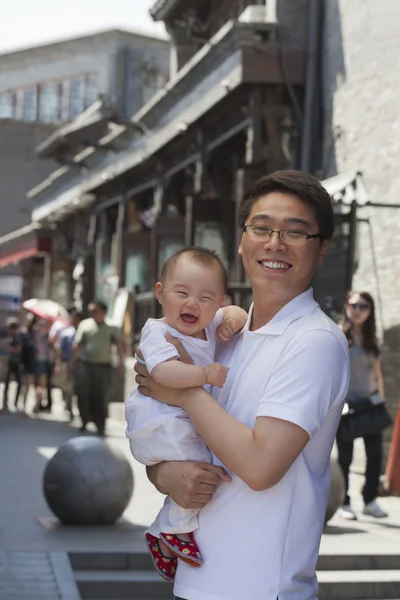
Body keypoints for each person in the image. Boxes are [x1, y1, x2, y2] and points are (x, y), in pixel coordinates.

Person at [134, 170, 350, 600]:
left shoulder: (314, 342)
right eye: (262, 227)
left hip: (260, 587)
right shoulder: (224, 334)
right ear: (241, 239)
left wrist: (184, 389)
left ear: (322, 249)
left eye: (296, 232)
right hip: (198, 580)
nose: (275, 243)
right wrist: (162, 473)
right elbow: (180, 431)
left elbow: (258, 466)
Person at [125, 247, 247, 580]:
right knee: (195, 466)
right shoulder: (158, 333)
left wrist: (233, 319)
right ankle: (173, 531)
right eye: (182, 293)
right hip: (158, 420)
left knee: (197, 462)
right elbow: (162, 374)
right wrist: (204, 376)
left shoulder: (208, 326)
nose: (193, 304)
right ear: (161, 293)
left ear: (219, 301)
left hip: (176, 418)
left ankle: (165, 534)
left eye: (206, 298)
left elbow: (237, 313)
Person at [336, 291, 388, 520]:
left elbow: (377, 374)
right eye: (354, 305)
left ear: (370, 311)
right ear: (346, 307)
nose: (358, 310)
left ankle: (369, 500)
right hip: (346, 406)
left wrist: (381, 399)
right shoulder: (337, 335)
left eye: (363, 306)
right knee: (345, 458)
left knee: (375, 455)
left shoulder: (372, 339)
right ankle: (344, 502)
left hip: (370, 404)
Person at [70, 301, 125, 436]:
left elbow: (119, 345)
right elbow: (78, 345)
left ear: (104, 312)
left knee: (101, 396)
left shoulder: (112, 327)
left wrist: (121, 364)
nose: (93, 314)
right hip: (86, 364)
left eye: (95, 311)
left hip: (103, 366)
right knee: (83, 393)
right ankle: (84, 420)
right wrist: (72, 361)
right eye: (91, 311)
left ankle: (100, 424)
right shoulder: (85, 325)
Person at [54, 311, 84, 421]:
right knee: (67, 387)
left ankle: (78, 410)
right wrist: (58, 364)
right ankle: (69, 408)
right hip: (67, 362)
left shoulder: (83, 333)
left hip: (80, 363)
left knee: (78, 388)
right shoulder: (66, 333)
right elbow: (60, 350)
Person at [19, 314, 38, 414]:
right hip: (22, 362)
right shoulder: (22, 333)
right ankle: (20, 405)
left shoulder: (35, 333)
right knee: (23, 385)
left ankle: (25, 407)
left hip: (32, 362)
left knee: (28, 386)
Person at [3, 318, 22, 411]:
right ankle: (4, 402)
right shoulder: (5, 336)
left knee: (19, 382)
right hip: (6, 362)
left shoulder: (17, 337)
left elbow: (18, 349)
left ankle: (15, 402)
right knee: (6, 383)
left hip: (16, 362)